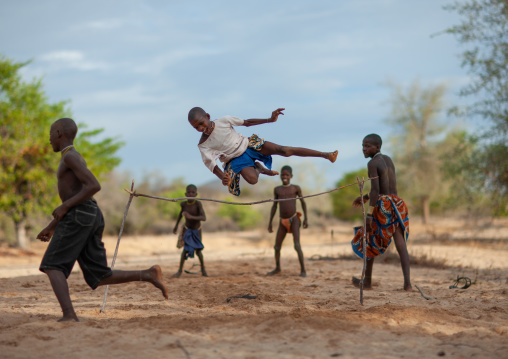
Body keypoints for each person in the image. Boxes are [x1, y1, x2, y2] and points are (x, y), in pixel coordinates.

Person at [37, 118, 168, 322]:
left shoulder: (70, 157)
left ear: (59, 133)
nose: (49, 139)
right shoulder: (74, 157)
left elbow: (93, 186)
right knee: (99, 274)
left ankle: (69, 315)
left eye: (50, 134)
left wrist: (65, 206)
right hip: (88, 214)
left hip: (81, 214)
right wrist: (53, 225)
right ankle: (149, 274)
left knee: (53, 266)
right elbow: (78, 193)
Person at [188, 107, 338, 196]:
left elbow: (246, 123)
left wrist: (269, 119)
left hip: (248, 144)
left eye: (202, 123)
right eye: (196, 127)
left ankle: (326, 155)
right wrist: (223, 177)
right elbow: (211, 165)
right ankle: (259, 168)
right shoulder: (203, 145)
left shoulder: (224, 120)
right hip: (234, 159)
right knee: (253, 180)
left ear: (207, 116)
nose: (201, 128)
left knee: (284, 150)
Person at [350, 134, 412, 291]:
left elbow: (376, 190)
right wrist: (364, 197)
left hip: (383, 205)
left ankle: (368, 282)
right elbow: (386, 188)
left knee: (369, 239)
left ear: (377, 147)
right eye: (363, 145)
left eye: (367, 146)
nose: (364, 149)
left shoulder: (372, 163)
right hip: (397, 203)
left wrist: (370, 215)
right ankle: (408, 284)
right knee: (400, 243)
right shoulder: (388, 159)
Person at [267, 165, 308, 277]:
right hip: (282, 221)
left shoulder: (295, 188)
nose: (284, 177)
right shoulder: (277, 190)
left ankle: (303, 270)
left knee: (297, 245)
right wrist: (270, 222)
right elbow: (274, 206)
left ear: (291, 176)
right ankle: (278, 268)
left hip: (294, 219)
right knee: (276, 247)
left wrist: (306, 219)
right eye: (283, 175)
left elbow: (303, 202)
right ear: (280, 176)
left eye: (287, 175)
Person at [172, 184, 207, 278]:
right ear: (185, 194)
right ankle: (179, 271)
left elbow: (203, 218)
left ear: (196, 194)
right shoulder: (183, 204)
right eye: (189, 192)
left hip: (196, 231)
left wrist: (191, 217)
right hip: (187, 230)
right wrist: (175, 226)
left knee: (198, 251)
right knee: (184, 251)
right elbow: (180, 215)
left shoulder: (198, 204)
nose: (190, 194)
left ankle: (204, 270)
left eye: (193, 192)